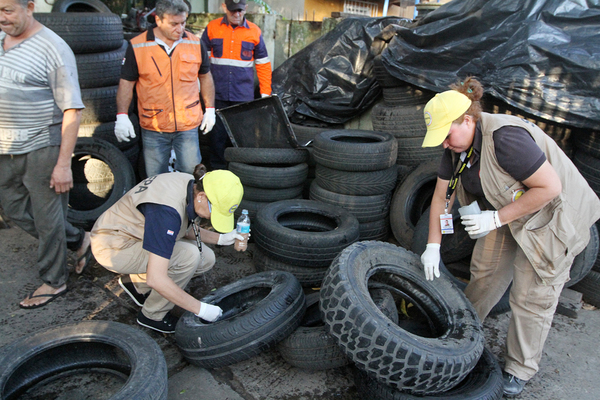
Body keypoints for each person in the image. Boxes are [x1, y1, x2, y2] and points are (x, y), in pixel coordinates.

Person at [419, 77, 600, 397]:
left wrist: (495, 218)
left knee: (531, 296)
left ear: (468, 120)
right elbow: (440, 197)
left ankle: (520, 367)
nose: (444, 144)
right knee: (485, 275)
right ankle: (461, 337)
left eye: (446, 135)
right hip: (504, 212)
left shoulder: (506, 139)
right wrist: (433, 244)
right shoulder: (456, 147)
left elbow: (549, 188)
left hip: (551, 217)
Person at [0, 0, 93, 309]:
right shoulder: (0, 39)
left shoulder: (53, 48)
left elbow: (72, 109)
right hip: (5, 146)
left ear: (29, 6)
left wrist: (63, 164)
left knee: (47, 217)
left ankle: (54, 281)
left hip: (43, 145)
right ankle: (79, 240)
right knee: (12, 209)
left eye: (7, 9)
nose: (1, 17)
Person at [90, 164, 244, 333]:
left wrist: (221, 239)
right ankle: (152, 315)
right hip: (114, 246)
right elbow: (157, 278)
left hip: (137, 233)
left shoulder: (190, 183)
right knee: (189, 256)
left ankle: (137, 285)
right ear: (202, 196)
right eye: (215, 211)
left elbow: (182, 227)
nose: (212, 217)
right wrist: (201, 309)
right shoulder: (166, 213)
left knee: (205, 258)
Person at [114, 0, 216, 177]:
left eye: (183, 22)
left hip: (187, 125)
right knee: (156, 179)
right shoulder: (138, 46)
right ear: (159, 20)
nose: (180, 28)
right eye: (174, 24)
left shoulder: (195, 43)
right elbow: (126, 83)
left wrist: (210, 109)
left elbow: (205, 77)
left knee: (192, 177)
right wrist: (122, 115)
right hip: (154, 126)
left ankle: (189, 205)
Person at [201, 0, 272, 170]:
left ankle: (240, 172)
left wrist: (265, 94)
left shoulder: (254, 32)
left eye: (240, 10)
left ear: (245, 8)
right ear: (224, 7)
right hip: (216, 95)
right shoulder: (212, 28)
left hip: (242, 97)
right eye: (233, 11)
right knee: (216, 139)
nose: (237, 14)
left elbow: (263, 64)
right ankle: (217, 172)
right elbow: (200, 63)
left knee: (241, 138)